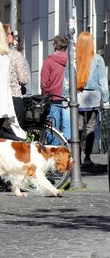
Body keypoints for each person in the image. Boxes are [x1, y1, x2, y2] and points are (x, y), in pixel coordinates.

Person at [65, 32, 110, 166]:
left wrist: (66, 96)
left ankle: (77, 158)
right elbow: (102, 81)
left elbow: (67, 81)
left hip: (77, 97)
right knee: (90, 128)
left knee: (77, 128)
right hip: (93, 98)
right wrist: (106, 100)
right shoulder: (97, 59)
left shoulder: (72, 60)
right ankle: (87, 157)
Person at [41, 35, 70, 136]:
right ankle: (68, 150)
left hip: (53, 99)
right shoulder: (71, 61)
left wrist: (46, 94)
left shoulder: (48, 61)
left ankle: (53, 150)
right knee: (68, 130)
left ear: (54, 46)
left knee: (53, 130)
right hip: (68, 99)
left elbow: (44, 83)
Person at [4, 23, 30, 128]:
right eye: (10, 33)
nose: (12, 36)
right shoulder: (15, 55)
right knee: (17, 135)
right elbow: (24, 79)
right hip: (14, 97)